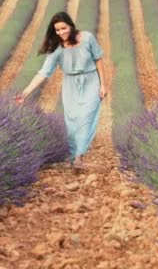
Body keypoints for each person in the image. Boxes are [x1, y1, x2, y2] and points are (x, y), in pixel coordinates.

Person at [14, 11, 107, 169]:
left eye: (63, 28)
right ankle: (74, 156)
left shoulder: (87, 38)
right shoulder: (56, 48)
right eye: (57, 30)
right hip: (70, 84)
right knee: (72, 121)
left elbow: (98, 60)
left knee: (86, 117)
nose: (61, 32)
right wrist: (25, 93)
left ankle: (79, 158)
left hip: (91, 81)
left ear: (71, 25)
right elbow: (43, 73)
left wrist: (103, 84)